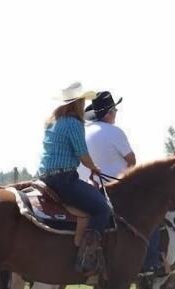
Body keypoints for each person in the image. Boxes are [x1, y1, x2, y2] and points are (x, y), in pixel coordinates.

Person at [78, 91, 162, 277]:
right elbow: (132, 162)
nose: (116, 113)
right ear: (109, 113)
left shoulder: (85, 131)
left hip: (85, 188)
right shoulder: (115, 132)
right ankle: (149, 264)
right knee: (153, 216)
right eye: (114, 109)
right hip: (112, 192)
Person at [38, 82, 112, 276]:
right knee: (102, 208)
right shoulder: (73, 123)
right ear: (78, 103)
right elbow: (82, 153)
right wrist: (94, 168)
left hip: (45, 178)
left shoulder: (52, 121)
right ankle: (86, 257)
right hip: (64, 179)